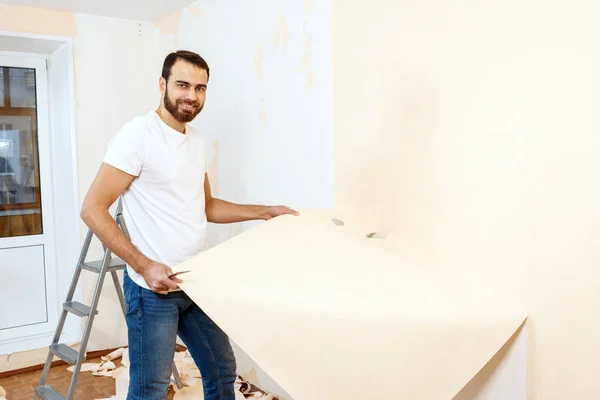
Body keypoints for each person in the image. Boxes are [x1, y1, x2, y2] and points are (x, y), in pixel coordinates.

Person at [80, 50, 298, 400]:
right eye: (182, 85)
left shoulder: (195, 141)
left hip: (194, 282)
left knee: (221, 371)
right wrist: (144, 265)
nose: (192, 96)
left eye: (200, 88)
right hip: (153, 291)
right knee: (150, 389)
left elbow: (207, 205)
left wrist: (264, 211)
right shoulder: (138, 135)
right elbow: (92, 209)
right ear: (162, 84)